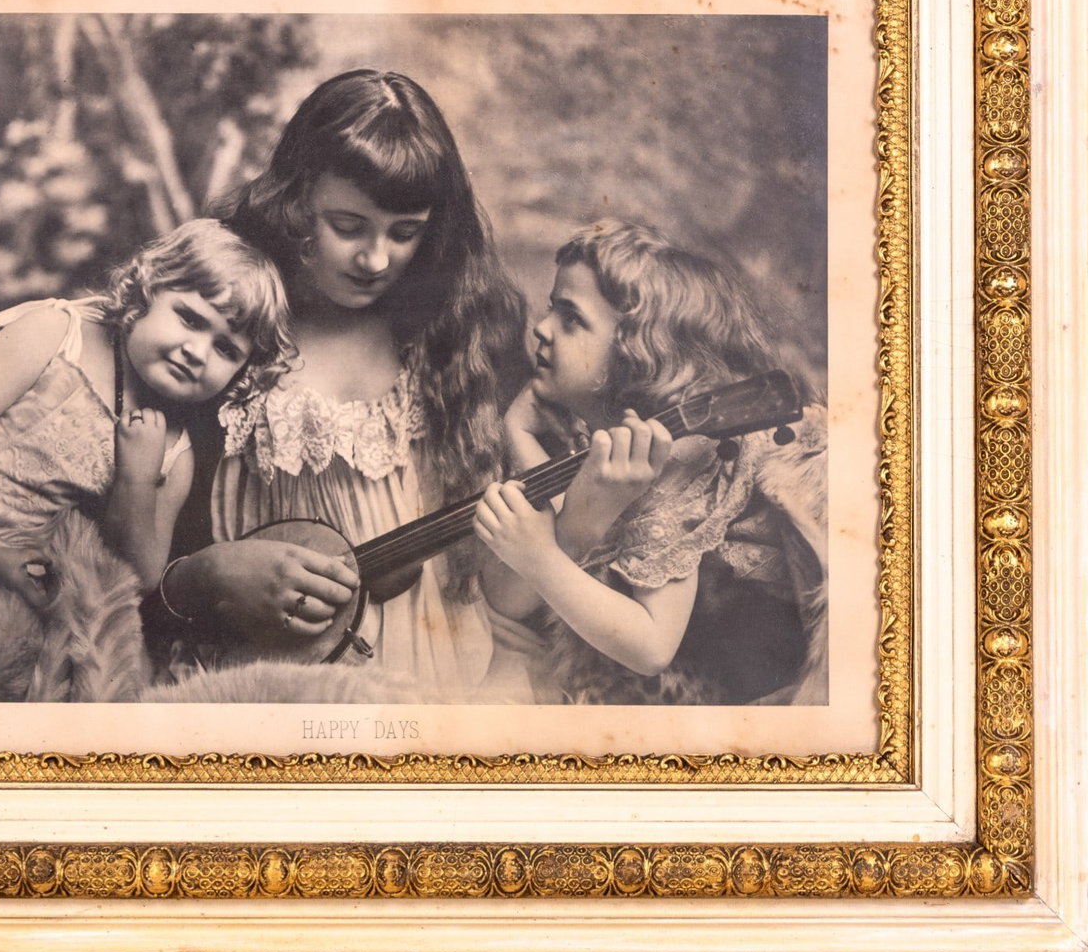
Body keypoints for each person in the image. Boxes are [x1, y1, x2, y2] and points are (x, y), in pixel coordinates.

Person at [156, 69, 530, 700]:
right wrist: (208, 573)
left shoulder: (452, 330)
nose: (376, 260)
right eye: (348, 226)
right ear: (297, 198)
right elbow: (127, 541)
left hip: (431, 662)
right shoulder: (227, 318)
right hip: (258, 670)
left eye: (403, 232)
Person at [0, 218, 293, 702]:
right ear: (148, 292)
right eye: (189, 318)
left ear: (241, 373)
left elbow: (139, 575)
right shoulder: (59, 334)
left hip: (15, 567)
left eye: (226, 349)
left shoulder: (174, 451)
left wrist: (136, 480)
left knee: (31, 657)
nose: (197, 351)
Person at [473, 220, 828, 706]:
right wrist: (519, 438)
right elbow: (513, 593)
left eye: (571, 319)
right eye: (552, 308)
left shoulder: (679, 464)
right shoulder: (603, 432)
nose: (541, 328)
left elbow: (650, 647)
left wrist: (541, 558)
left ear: (633, 355)